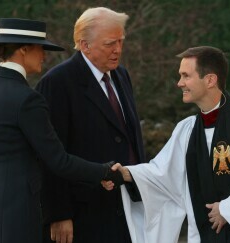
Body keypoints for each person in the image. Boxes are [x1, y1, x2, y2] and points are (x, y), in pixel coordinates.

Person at [103, 46, 230, 242]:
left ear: (210, 80)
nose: (179, 83)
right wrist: (127, 174)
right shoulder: (188, 129)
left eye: (186, 76)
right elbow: (163, 173)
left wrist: (227, 209)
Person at [0, 18, 123, 243]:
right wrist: (105, 171)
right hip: (15, 213)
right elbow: (59, 161)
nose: (44, 56)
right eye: (41, 49)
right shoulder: (27, 99)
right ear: (23, 49)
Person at [35, 7, 145, 243]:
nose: (118, 49)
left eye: (120, 41)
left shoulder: (121, 75)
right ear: (84, 45)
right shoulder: (57, 83)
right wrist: (59, 213)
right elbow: (50, 155)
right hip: (83, 214)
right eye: (109, 43)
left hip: (125, 206)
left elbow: (129, 137)